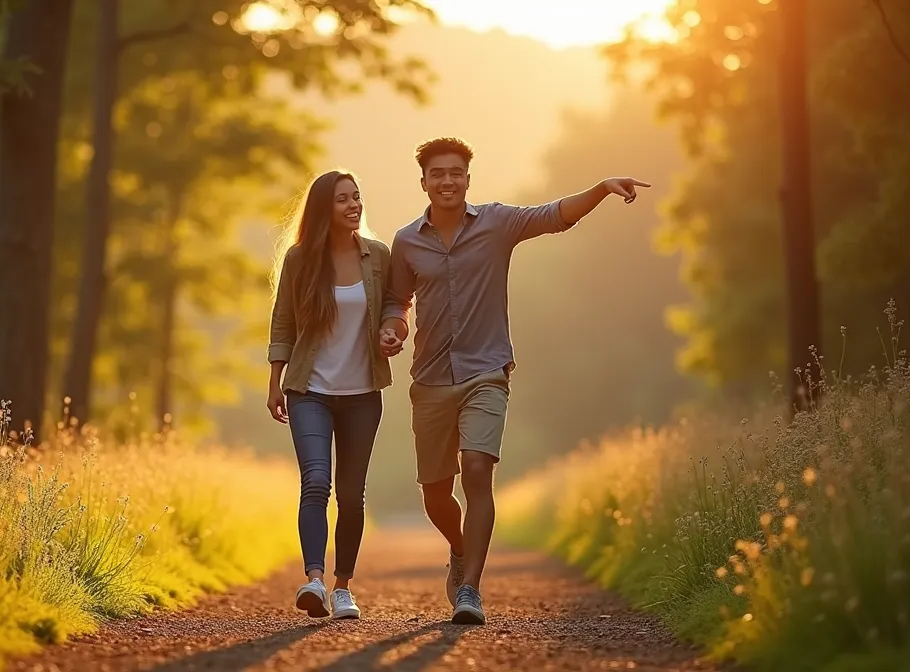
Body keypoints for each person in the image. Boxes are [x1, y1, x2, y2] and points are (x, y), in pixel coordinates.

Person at [378, 137, 649, 625]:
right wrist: (393, 328)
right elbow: (398, 300)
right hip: (431, 378)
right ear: (423, 182)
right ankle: (460, 547)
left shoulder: (497, 223)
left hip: (487, 371)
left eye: (455, 172)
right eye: (438, 174)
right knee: (436, 494)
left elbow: (554, 215)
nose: (447, 181)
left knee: (477, 467)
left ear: (468, 179)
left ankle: (470, 589)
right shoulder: (407, 241)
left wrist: (601, 188)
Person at [266, 169, 401, 620]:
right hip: (310, 391)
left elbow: (393, 307)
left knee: (351, 494)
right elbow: (283, 321)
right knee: (316, 482)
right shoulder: (300, 259)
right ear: (325, 207)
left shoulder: (378, 256)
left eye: (356, 197)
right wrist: (275, 382)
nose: (353, 205)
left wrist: (391, 331)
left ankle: (343, 587)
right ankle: (314, 580)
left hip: (363, 394)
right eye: (343, 199)